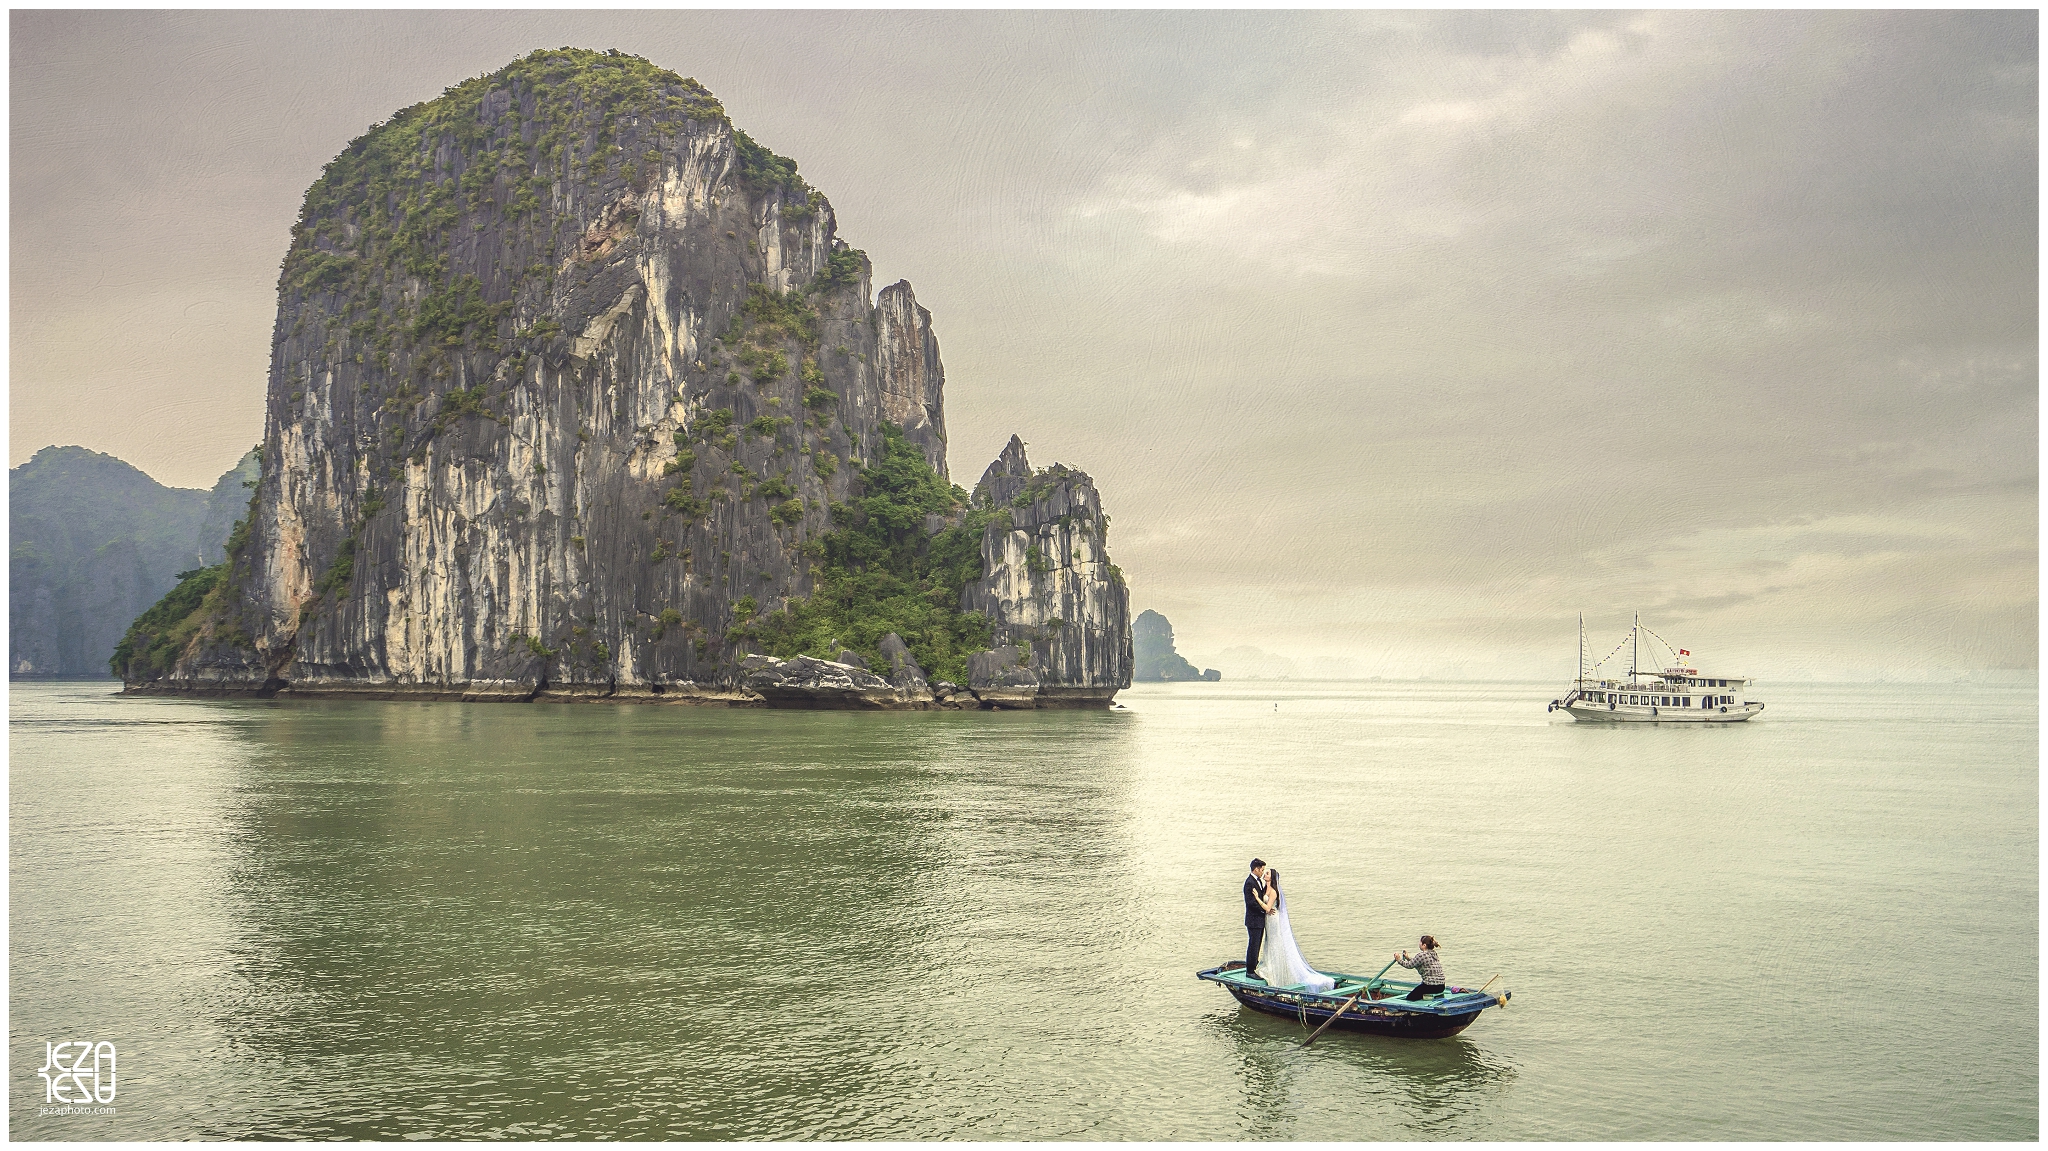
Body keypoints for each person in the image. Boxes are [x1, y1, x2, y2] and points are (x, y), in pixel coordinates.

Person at [1259, 868, 1336, 993]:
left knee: (1277, 942)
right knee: (1270, 942)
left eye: (1267, 873)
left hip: (1273, 919)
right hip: (1269, 921)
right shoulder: (1265, 888)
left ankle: (1280, 972)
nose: (1264, 874)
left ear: (1271, 877)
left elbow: (1268, 908)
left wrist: (1257, 898)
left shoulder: (1273, 891)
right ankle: (1272, 966)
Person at [1242, 859, 1273, 979]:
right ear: (1256, 869)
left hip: (1258, 920)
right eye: (1262, 870)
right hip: (1253, 920)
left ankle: (1254, 966)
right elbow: (1251, 903)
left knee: (1257, 944)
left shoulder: (1258, 881)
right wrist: (1264, 910)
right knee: (1253, 945)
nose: (1263, 872)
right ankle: (1250, 971)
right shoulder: (1249, 883)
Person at [1394, 935, 1446, 999]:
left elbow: (1409, 965)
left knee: (1410, 998)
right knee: (1419, 992)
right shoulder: (1434, 953)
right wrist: (1408, 958)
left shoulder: (1422, 955)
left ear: (1424, 945)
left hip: (1430, 986)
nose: (1419, 943)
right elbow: (1418, 963)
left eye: (1420, 942)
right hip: (1441, 986)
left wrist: (1398, 959)